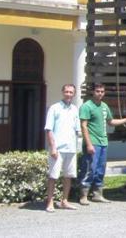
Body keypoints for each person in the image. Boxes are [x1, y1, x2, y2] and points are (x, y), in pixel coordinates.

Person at [79, 83, 126, 205]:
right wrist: (88, 144)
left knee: (100, 169)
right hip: (92, 142)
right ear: (93, 92)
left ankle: (97, 194)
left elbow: (110, 121)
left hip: (103, 142)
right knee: (90, 168)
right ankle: (83, 195)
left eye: (102, 91)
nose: (100, 93)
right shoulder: (86, 106)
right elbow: (83, 126)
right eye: (97, 91)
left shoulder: (104, 106)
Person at [44, 84, 81, 213]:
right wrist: (53, 147)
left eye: (71, 92)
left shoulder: (75, 109)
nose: (69, 94)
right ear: (62, 92)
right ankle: (50, 202)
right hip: (58, 149)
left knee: (68, 176)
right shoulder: (54, 108)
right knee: (53, 176)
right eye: (66, 91)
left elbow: (77, 130)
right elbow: (49, 129)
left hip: (70, 148)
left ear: (74, 94)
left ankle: (64, 201)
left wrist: (76, 146)